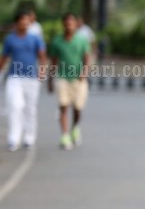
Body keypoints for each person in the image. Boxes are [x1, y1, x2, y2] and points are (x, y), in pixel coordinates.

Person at [0, 11, 47, 152]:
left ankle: (29, 137)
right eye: (22, 20)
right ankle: (13, 138)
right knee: (15, 106)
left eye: (27, 21)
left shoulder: (35, 38)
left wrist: (42, 71)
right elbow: (4, 57)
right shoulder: (10, 39)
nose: (25, 23)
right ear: (17, 22)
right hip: (15, 77)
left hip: (31, 78)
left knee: (30, 109)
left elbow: (42, 56)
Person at [48, 13, 92, 149]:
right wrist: (50, 79)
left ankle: (75, 127)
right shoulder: (57, 41)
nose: (69, 26)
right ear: (63, 24)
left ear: (76, 24)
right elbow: (54, 62)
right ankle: (65, 135)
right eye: (67, 23)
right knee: (63, 106)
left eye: (72, 23)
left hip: (78, 79)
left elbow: (87, 59)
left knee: (78, 108)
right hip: (62, 78)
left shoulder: (82, 40)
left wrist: (84, 74)